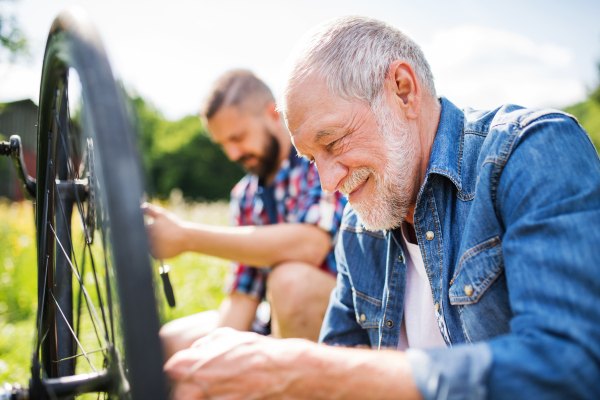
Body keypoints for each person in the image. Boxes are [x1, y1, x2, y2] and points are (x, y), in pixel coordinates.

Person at [163, 16, 600, 400]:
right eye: (313, 160)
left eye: (333, 142)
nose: (329, 184)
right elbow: (339, 354)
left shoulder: (530, 153)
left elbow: (571, 367)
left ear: (403, 90)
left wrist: (301, 369)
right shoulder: (358, 228)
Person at [144, 70, 346, 358]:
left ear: (273, 114)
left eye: (238, 137)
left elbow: (310, 245)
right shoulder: (245, 195)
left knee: (290, 282)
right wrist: (206, 363)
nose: (232, 153)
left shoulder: (316, 164)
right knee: (169, 343)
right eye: (223, 143)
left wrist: (187, 237)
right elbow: (243, 295)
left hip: (344, 318)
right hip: (273, 317)